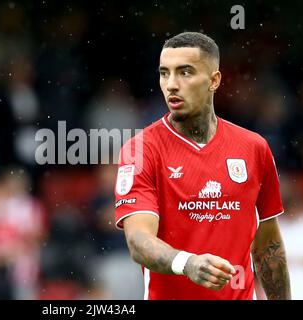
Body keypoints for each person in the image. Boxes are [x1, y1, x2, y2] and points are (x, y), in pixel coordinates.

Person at [114, 32, 291, 300]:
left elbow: (268, 246)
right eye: (164, 73)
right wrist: (188, 263)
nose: (171, 84)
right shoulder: (142, 150)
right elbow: (138, 240)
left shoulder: (254, 148)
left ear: (214, 80)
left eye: (185, 73)